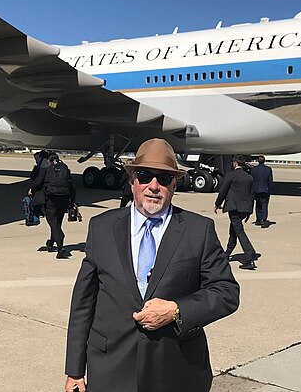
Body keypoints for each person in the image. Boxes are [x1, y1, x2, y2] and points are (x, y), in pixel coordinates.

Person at [64, 138, 239, 392]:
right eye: (145, 176)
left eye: (164, 178)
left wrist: (177, 310)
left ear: (174, 184)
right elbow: (83, 304)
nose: (153, 186)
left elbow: (226, 292)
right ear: (132, 181)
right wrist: (74, 371)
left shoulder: (198, 230)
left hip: (176, 371)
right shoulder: (101, 227)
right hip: (111, 369)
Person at [214, 155, 258, 270]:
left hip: (233, 207)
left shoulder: (231, 175)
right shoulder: (249, 177)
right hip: (244, 208)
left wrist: (217, 204)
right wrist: (250, 211)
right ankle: (227, 253)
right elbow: (252, 194)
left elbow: (223, 190)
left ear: (235, 163)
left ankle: (250, 257)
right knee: (233, 229)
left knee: (239, 231)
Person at [29, 152, 75, 259]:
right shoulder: (65, 169)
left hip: (51, 198)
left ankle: (60, 247)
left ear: (49, 161)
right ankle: (52, 241)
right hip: (64, 198)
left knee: (52, 221)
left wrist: (32, 189)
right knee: (58, 221)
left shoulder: (46, 169)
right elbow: (72, 186)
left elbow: (38, 181)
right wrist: (72, 202)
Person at [251, 155, 273, 227]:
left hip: (256, 189)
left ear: (258, 161)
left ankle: (258, 219)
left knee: (258, 205)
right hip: (265, 189)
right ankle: (264, 219)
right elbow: (270, 181)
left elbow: (252, 180)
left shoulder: (254, 169)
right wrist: (269, 188)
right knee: (264, 205)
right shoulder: (268, 169)